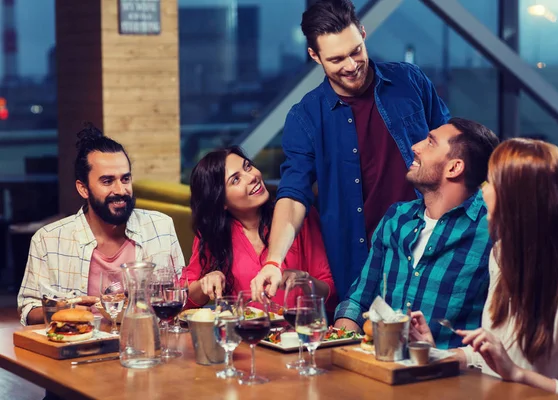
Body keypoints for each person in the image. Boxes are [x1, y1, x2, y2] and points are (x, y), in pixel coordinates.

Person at [251, 0, 450, 302]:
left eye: (356, 50)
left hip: (428, 245)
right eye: (336, 59)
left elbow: (452, 148)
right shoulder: (305, 117)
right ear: (314, 56)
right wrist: (274, 261)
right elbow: (293, 195)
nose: (350, 65)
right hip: (358, 262)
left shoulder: (410, 82)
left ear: (363, 33)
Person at [410, 139, 558, 398]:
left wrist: (518, 375)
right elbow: (499, 356)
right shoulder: (501, 255)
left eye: (492, 183)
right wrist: (434, 354)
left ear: (518, 199)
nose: (483, 192)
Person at [334, 118, 499, 349]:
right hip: (382, 367)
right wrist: (336, 345)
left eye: (430, 143)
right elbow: (358, 300)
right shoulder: (396, 218)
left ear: (454, 168)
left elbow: (502, 333)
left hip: (450, 376)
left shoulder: (494, 231)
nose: (415, 147)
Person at [17, 123, 185, 326]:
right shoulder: (48, 240)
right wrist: (66, 309)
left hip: (147, 346)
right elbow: (28, 309)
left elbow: (180, 294)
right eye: (107, 181)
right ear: (83, 189)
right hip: (80, 348)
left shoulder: (161, 227)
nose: (121, 190)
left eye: (125, 179)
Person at [182, 146, 336, 310]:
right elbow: (185, 301)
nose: (252, 177)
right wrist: (206, 282)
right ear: (222, 202)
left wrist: (305, 281)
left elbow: (331, 292)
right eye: (236, 179)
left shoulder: (297, 217)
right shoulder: (212, 235)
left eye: (248, 167)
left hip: (298, 332)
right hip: (243, 333)